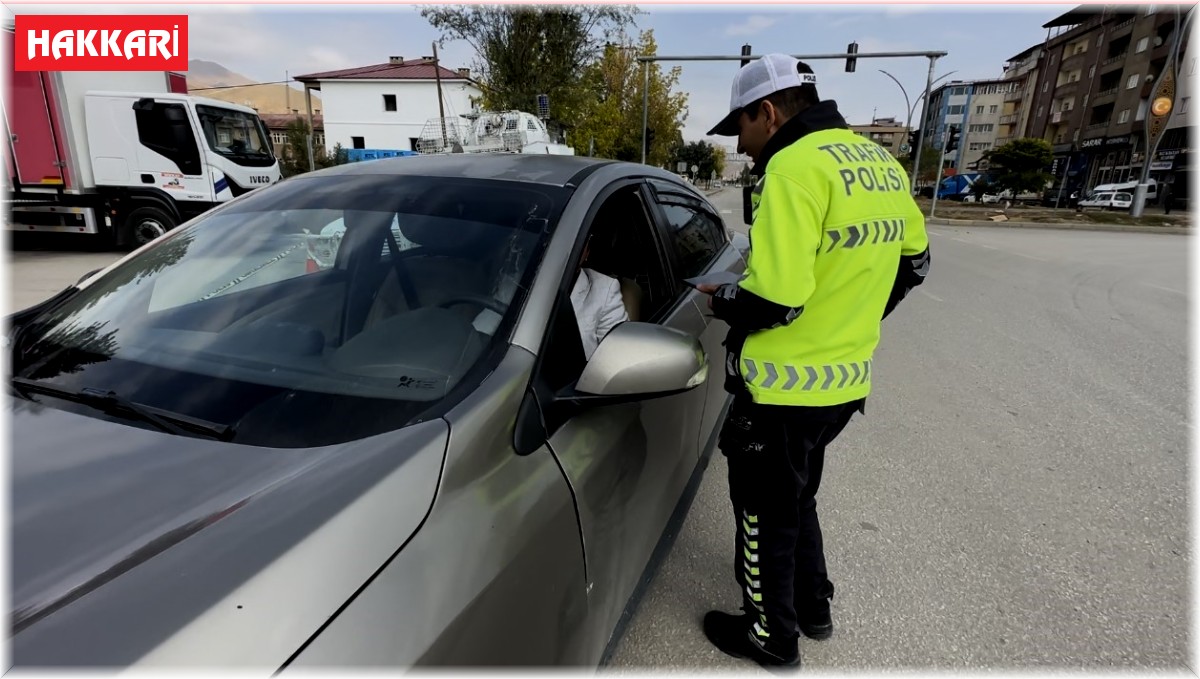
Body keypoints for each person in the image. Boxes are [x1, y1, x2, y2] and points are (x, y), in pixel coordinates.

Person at [695, 54, 931, 669]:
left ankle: (771, 638)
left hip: (779, 392)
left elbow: (773, 300)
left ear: (766, 112)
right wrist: (850, 318)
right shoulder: (877, 161)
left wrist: (720, 297)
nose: (742, 148)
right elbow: (915, 262)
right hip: (841, 382)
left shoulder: (791, 170)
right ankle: (814, 606)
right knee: (796, 499)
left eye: (739, 130)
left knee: (761, 514)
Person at [571, 233, 628, 359]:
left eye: (580, 238)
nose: (571, 243)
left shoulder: (605, 290)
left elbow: (618, 357)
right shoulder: (521, 278)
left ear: (587, 251)